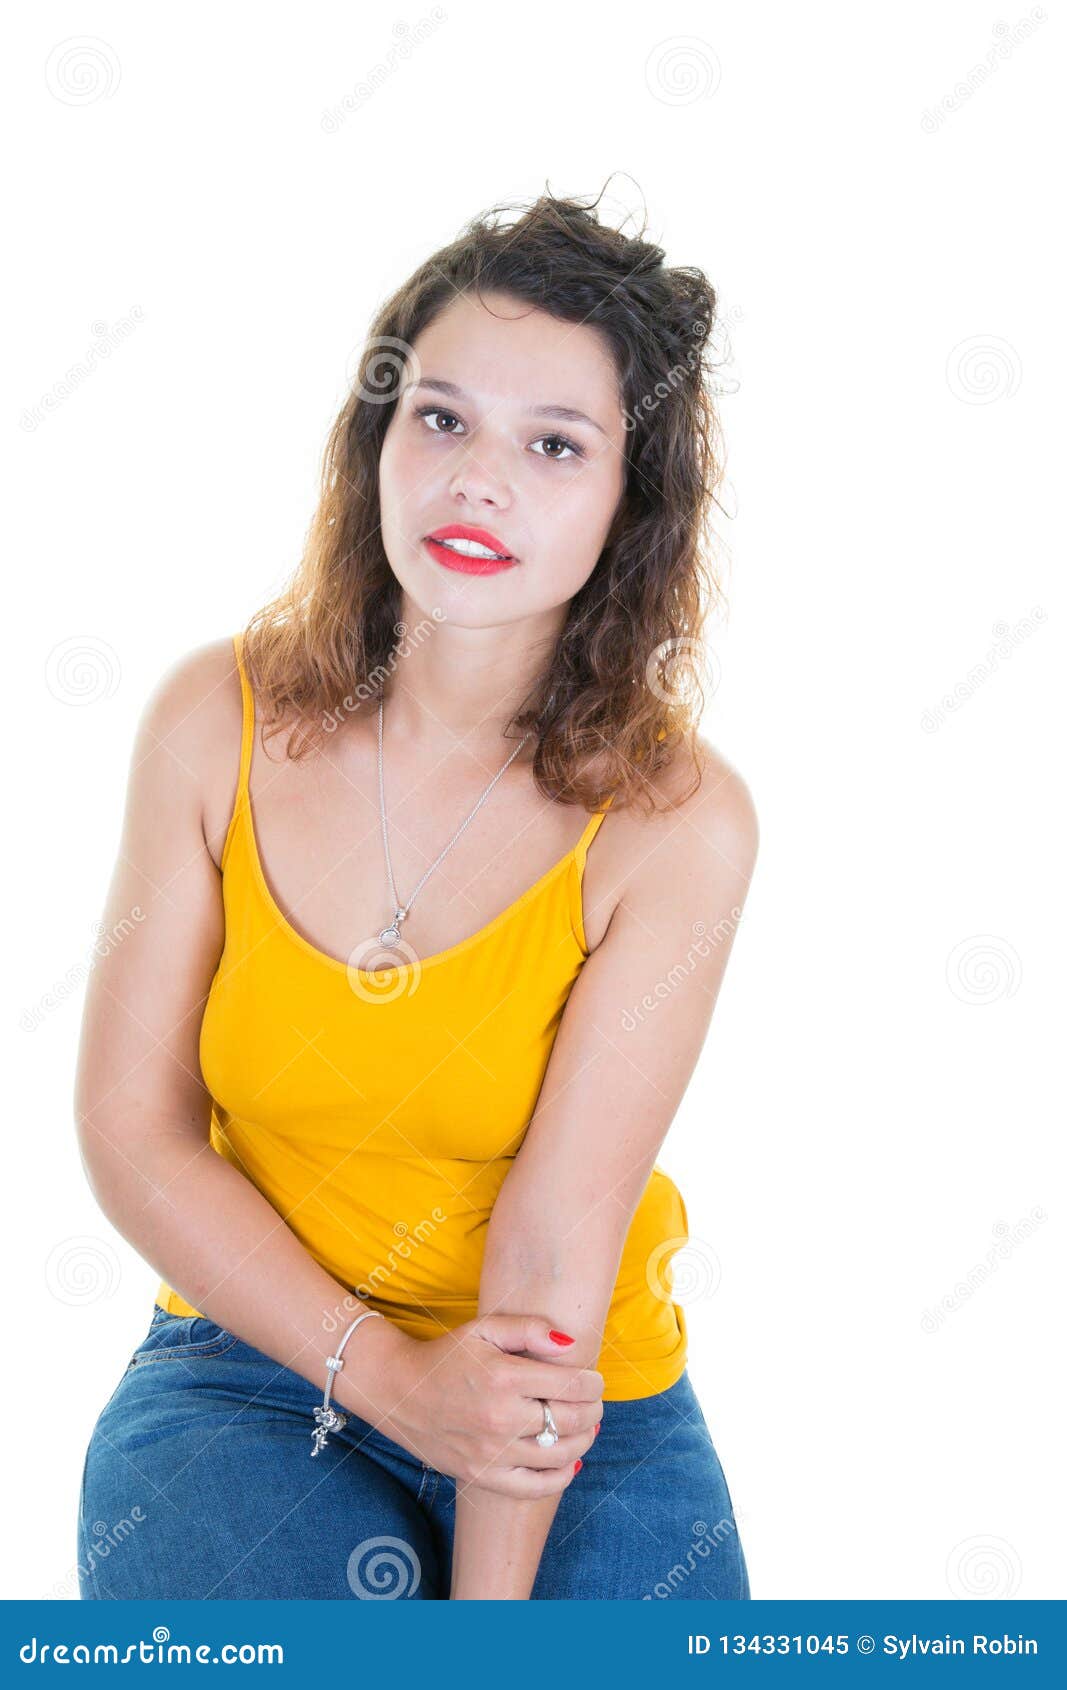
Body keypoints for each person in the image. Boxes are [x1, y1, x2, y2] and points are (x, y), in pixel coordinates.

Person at [74, 188, 758, 1600]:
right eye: (438, 417)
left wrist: (481, 1626)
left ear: (634, 505)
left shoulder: (677, 822)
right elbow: (130, 1129)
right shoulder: (218, 718)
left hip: (576, 1411)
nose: (475, 479)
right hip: (257, 1369)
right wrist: (386, 1377)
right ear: (375, 438)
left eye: (556, 445)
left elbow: (556, 1241)